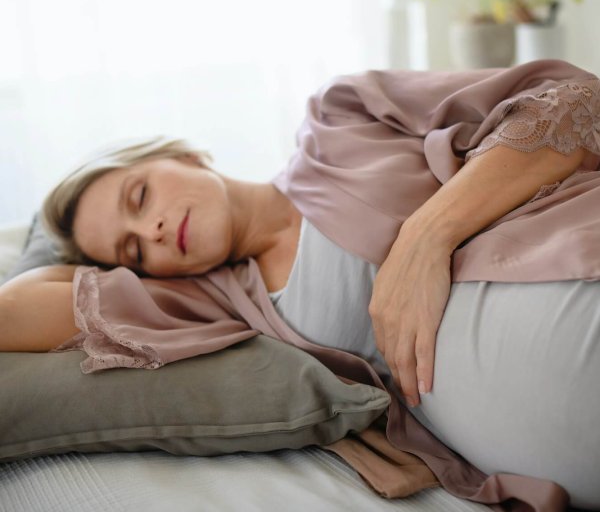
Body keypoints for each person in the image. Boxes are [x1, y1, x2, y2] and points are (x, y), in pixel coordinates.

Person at [1, 59, 600, 509]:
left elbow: (573, 101)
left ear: (181, 155)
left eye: (140, 196)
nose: (152, 228)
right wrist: (57, 244)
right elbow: (14, 310)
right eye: (131, 248)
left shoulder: (339, 118)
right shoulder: (218, 303)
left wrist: (426, 237)